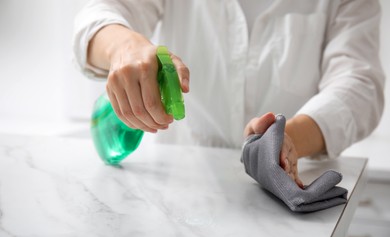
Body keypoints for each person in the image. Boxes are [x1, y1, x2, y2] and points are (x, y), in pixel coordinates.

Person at [73, 0, 385, 188]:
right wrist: (123, 46)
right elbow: (99, 13)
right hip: (185, 198)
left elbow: (359, 84)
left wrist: (286, 139)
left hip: (296, 202)